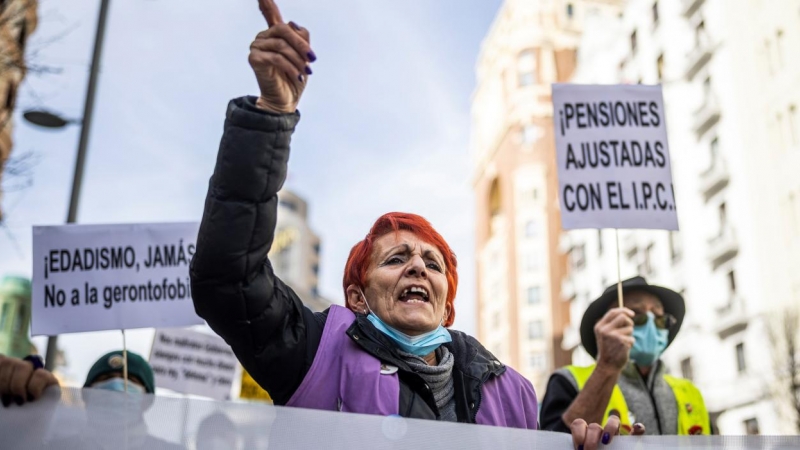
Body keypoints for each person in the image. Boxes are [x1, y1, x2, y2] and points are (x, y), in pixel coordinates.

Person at [190, 1, 634, 447]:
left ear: (446, 306)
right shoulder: (316, 353)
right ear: (357, 298)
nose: (418, 268)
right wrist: (270, 113)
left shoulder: (512, 391)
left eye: (433, 264)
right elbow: (228, 279)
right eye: (396, 258)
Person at [540, 276, 711, 436]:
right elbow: (555, 443)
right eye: (636, 314)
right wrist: (607, 366)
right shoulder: (569, 381)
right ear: (602, 325)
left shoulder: (690, 392)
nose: (651, 324)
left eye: (660, 318)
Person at [0, 350, 183, 449]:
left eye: (130, 382)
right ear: (86, 396)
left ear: (147, 401)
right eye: (105, 380)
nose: (116, 388)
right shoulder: (57, 448)